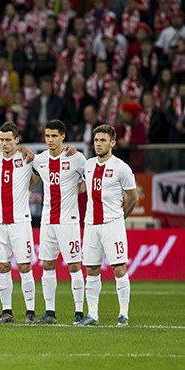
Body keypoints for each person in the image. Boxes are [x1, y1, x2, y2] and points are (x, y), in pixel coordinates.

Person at [75, 124, 138, 326]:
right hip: (91, 224)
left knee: (119, 269)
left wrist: (120, 217)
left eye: (103, 140)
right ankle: (92, 315)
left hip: (112, 224)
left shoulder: (121, 167)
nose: (98, 144)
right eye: (96, 140)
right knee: (91, 270)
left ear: (112, 142)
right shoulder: (89, 165)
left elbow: (133, 198)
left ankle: (124, 315)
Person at [29, 120, 87, 325]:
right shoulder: (40, 160)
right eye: (47, 136)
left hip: (68, 220)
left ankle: (79, 312)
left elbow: (89, 181)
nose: (50, 140)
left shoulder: (76, 158)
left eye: (54, 136)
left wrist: (76, 189)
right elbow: (32, 181)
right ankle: (50, 312)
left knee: (73, 265)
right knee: (47, 264)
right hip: (47, 220)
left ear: (63, 137)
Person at [0, 122, 37, 324]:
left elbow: (46, 164)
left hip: (20, 222)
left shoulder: (26, 158)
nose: (4, 143)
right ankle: (6, 311)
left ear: (17, 140)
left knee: (24, 267)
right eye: (2, 140)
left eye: (8, 140)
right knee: (3, 267)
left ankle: (30, 312)